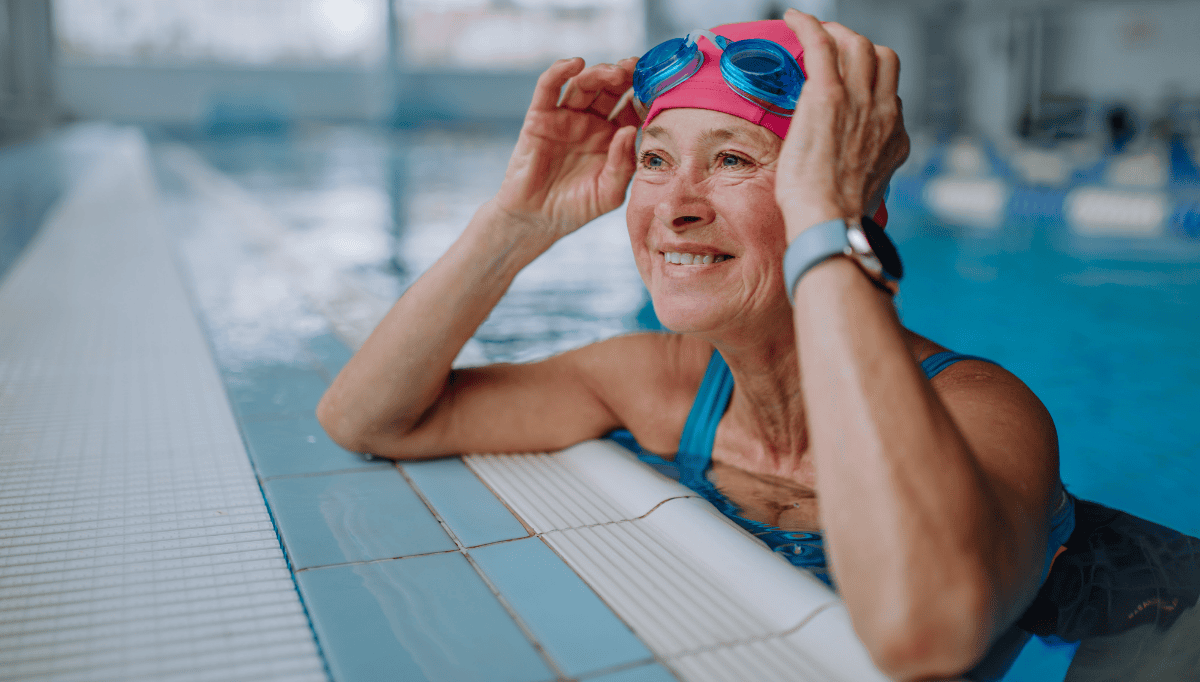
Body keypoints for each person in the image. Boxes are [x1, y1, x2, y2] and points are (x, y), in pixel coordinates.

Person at [316, 10, 1195, 680]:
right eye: (655, 161)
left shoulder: (981, 410)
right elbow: (369, 418)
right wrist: (517, 222)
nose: (675, 206)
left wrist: (825, 220)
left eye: (734, 160)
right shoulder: (658, 385)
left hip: (1154, 610)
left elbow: (925, 632)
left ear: (848, 206)